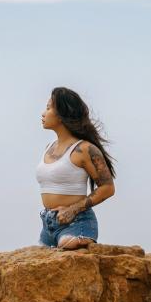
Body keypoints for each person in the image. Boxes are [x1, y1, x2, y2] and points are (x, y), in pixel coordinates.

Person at [36, 87, 116, 250]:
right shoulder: (48, 147)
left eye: (49, 108)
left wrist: (73, 210)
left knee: (66, 246)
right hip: (48, 223)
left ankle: (83, 239)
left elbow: (108, 188)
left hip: (76, 221)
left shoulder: (84, 149)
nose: (43, 113)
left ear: (62, 115)